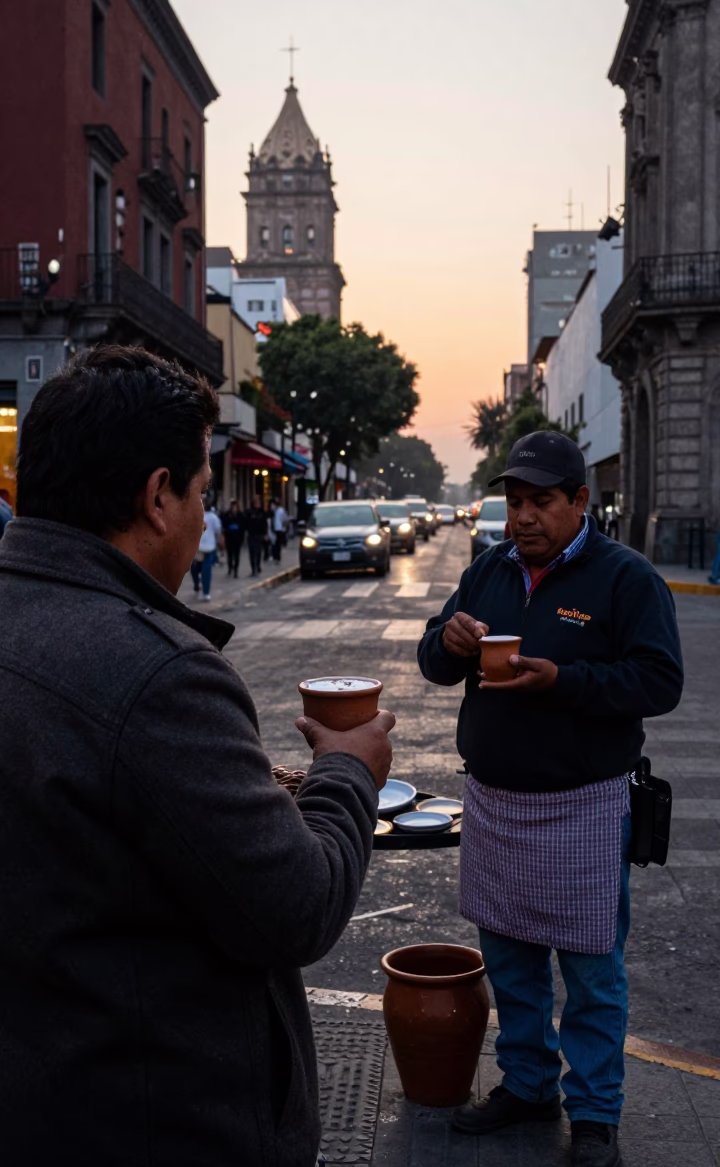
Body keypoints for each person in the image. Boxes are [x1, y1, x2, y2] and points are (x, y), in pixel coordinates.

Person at [0, 345, 394, 1167]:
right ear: (157, 498)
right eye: (202, 492)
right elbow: (295, 906)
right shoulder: (159, 675)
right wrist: (350, 770)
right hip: (158, 1118)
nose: (201, 512)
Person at [418, 431, 683, 1167]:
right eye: (515, 502)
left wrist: (562, 682)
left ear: (579, 503)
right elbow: (431, 657)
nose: (524, 518)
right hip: (498, 802)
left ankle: (594, 1111)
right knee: (510, 961)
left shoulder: (625, 578)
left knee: (593, 970)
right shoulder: (488, 571)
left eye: (541, 502)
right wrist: (451, 641)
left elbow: (660, 681)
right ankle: (527, 1084)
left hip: (585, 805)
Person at [190, 496, 224, 602]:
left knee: (206, 570)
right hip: (197, 548)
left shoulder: (213, 517)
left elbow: (218, 531)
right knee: (194, 569)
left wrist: (219, 542)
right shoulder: (195, 516)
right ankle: (196, 584)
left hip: (209, 548)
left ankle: (206, 592)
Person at [221, 498, 245, 578]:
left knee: (237, 555)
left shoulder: (240, 515)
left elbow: (243, 527)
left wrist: (242, 537)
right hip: (229, 538)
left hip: (237, 539)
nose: (234, 508)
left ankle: (236, 570)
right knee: (230, 555)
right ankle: (230, 568)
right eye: (233, 506)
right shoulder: (227, 515)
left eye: (236, 506)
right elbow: (224, 525)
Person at [246, 494, 269, 576]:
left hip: (259, 535)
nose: (257, 504)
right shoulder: (249, 512)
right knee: (252, 553)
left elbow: (265, 524)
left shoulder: (262, 512)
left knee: (258, 552)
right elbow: (246, 523)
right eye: (256, 502)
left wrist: (266, 533)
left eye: (258, 502)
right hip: (252, 535)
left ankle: (258, 566)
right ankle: (253, 569)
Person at [273, 498, 290, 562]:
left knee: (278, 543)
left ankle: (278, 556)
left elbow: (285, 519)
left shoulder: (281, 511)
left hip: (279, 529)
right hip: (275, 529)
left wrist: (284, 527)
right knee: (275, 543)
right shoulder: (274, 511)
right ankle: (275, 555)